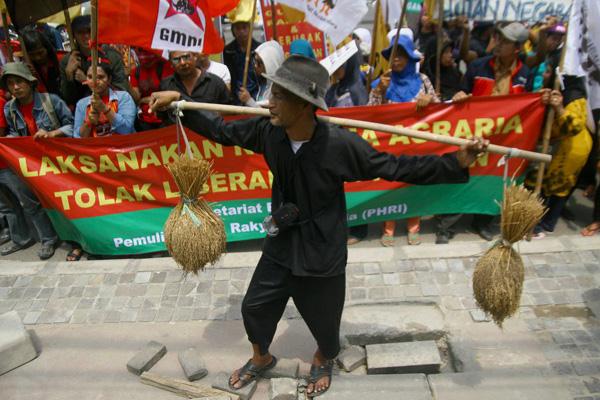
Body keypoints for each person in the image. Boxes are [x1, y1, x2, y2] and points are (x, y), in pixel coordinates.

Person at [149, 55, 488, 397]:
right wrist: (180, 103)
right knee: (254, 306)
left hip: (322, 245)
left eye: (279, 96)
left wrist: (455, 163)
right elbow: (220, 130)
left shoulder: (340, 145)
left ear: (304, 104)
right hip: (282, 240)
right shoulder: (268, 131)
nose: (269, 102)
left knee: (325, 320)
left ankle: (323, 357)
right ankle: (261, 357)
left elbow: (396, 167)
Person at [453, 22, 531, 241]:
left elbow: (529, 105)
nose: (498, 43)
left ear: (517, 48)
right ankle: (447, 224)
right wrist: (459, 95)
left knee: (493, 180)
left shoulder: (525, 74)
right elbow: (461, 93)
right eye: (498, 38)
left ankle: (482, 222)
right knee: (462, 174)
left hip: (504, 137)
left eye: (505, 41)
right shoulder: (478, 66)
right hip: (473, 134)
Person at [369, 35, 439, 246]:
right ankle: (388, 227)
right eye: (392, 56)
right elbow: (369, 113)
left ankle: (413, 226)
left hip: (416, 145)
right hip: (391, 144)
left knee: (413, 183)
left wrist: (429, 101)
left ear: (410, 58)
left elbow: (439, 108)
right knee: (390, 183)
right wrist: (379, 92)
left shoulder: (423, 81)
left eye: (401, 55)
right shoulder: (383, 81)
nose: (396, 60)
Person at [0, 62, 70, 259]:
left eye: (19, 82)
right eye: (11, 84)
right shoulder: (10, 109)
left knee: (64, 201)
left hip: (56, 163)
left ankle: (74, 238)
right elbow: (14, 131)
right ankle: (48, 239)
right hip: (29, 165)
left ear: (30, 83)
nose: (15, 87)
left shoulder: (51, 101)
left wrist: (52, 133)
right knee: (30, 203)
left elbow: (72, 126)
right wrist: (13, 141)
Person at [532, 76, 592, 238]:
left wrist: (559, 108)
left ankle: (541, 225)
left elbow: (574, 127)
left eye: (549, 71)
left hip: (571, 149)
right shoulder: (551, 92)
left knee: (554, 187)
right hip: (560, 147)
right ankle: (544, 223)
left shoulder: (574, 96)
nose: (545, 74)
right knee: (553, 186)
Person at [60, 15, 130, 107]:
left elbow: (122, 90)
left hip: (112, 108)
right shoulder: (67, 61)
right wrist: (69, 76)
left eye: (89, 31)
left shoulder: (111, 56)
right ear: (73, 35)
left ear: (96, 32)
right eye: (80, 32)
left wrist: (88, 81)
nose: (86, 36)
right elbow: (68, 99)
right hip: (83, 111)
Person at [74, 62, 136, 137]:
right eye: (90, 77)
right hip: (96, 148)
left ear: (109, 79)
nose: (95, 82)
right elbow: (77, 138)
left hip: (121, 146)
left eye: (100, 77)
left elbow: (126, 130)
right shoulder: (81, 104)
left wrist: (104, 109)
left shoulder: (123, 97)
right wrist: (88, 122)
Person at [160, 51, 230, 106]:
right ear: (171, 64)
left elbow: (229, 112)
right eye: (176, 60)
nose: (182, 63)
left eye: (186, 57)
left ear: (195, 57)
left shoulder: (215, 82)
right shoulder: (166, 85)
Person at [130, 48, 174, 131]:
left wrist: (142, 100)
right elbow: (136, 98)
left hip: (164, 119)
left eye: (146, 52)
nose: (143, 56)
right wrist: (125, 80)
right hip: (144, 121)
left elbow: (166, 97)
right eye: (140, 52)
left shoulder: (165, 66)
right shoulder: (136, 71)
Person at [224, 20, 261, 104]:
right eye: (238, 28)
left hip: (256, 96)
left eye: (244, 28)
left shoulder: (259, 48)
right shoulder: (228, 51)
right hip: (236, 98)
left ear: (250, 29)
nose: (241, 31)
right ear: (233, 30)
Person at [238, 41, 284, 107]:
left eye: (259, 62)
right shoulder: (261, 81)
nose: (255, 66)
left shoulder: (278, 89)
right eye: (255, 61)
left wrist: (248, 100)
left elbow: (269, 113)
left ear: (270, 64)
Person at [21, 27, 63, 95]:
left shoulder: (61, 59)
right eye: (32, 55)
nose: (37, 58)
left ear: (47, 48)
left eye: (40, 53)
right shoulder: (27, 68)